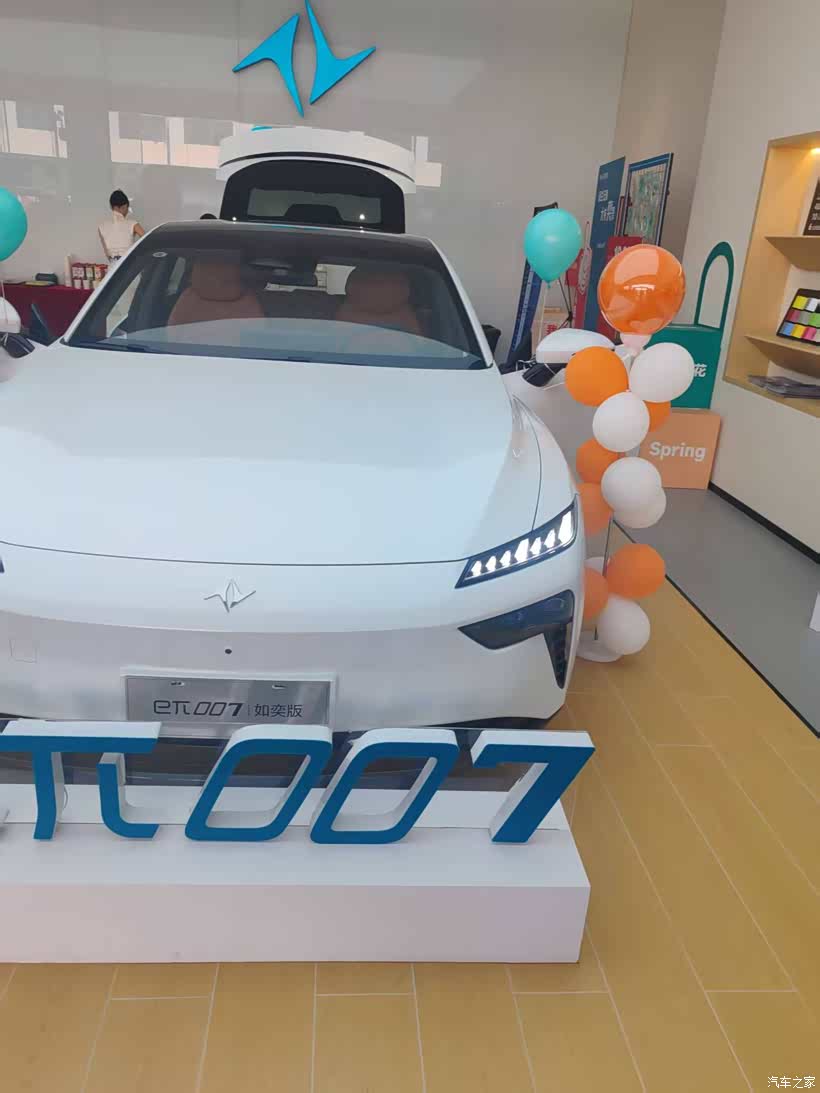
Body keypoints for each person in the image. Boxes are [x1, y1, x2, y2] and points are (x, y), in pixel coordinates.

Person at [98, 190, 144, 262]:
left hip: (113, 266)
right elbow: (148, 242)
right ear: (124, 206)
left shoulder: (101, 227)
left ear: (111, 207)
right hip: (130, 264)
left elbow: (107, 253)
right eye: (127, 208)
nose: (127, 211)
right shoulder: (134, 224)